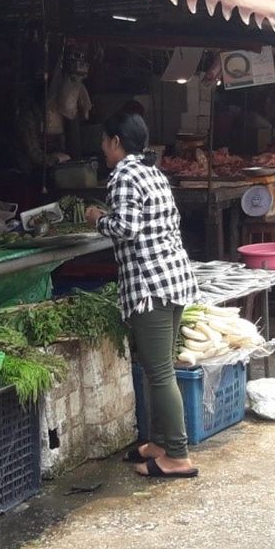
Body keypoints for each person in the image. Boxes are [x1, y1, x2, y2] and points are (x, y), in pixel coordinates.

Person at [84, 111, 201, 480]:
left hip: (150, 286)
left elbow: (126, 227)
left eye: (104, 141)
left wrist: (96, 219)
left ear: (116, 141)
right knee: (160, 368)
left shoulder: (123, 175)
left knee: (160, 372)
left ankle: (177, 456)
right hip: (175, 279)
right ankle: (160, 445)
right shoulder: (152, 172)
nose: (103, 148)